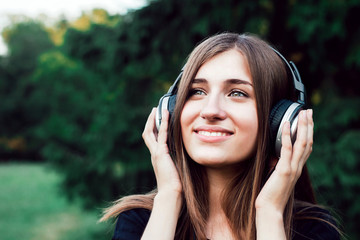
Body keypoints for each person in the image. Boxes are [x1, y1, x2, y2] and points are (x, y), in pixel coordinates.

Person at [100, 33, 340, 240]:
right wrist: (169, 198)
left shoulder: (313, 229)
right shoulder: (141, 222)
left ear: (280, 122)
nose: (210, 110)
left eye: (237, 93)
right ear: (170, 112)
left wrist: (269, 213)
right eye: (197, 91)